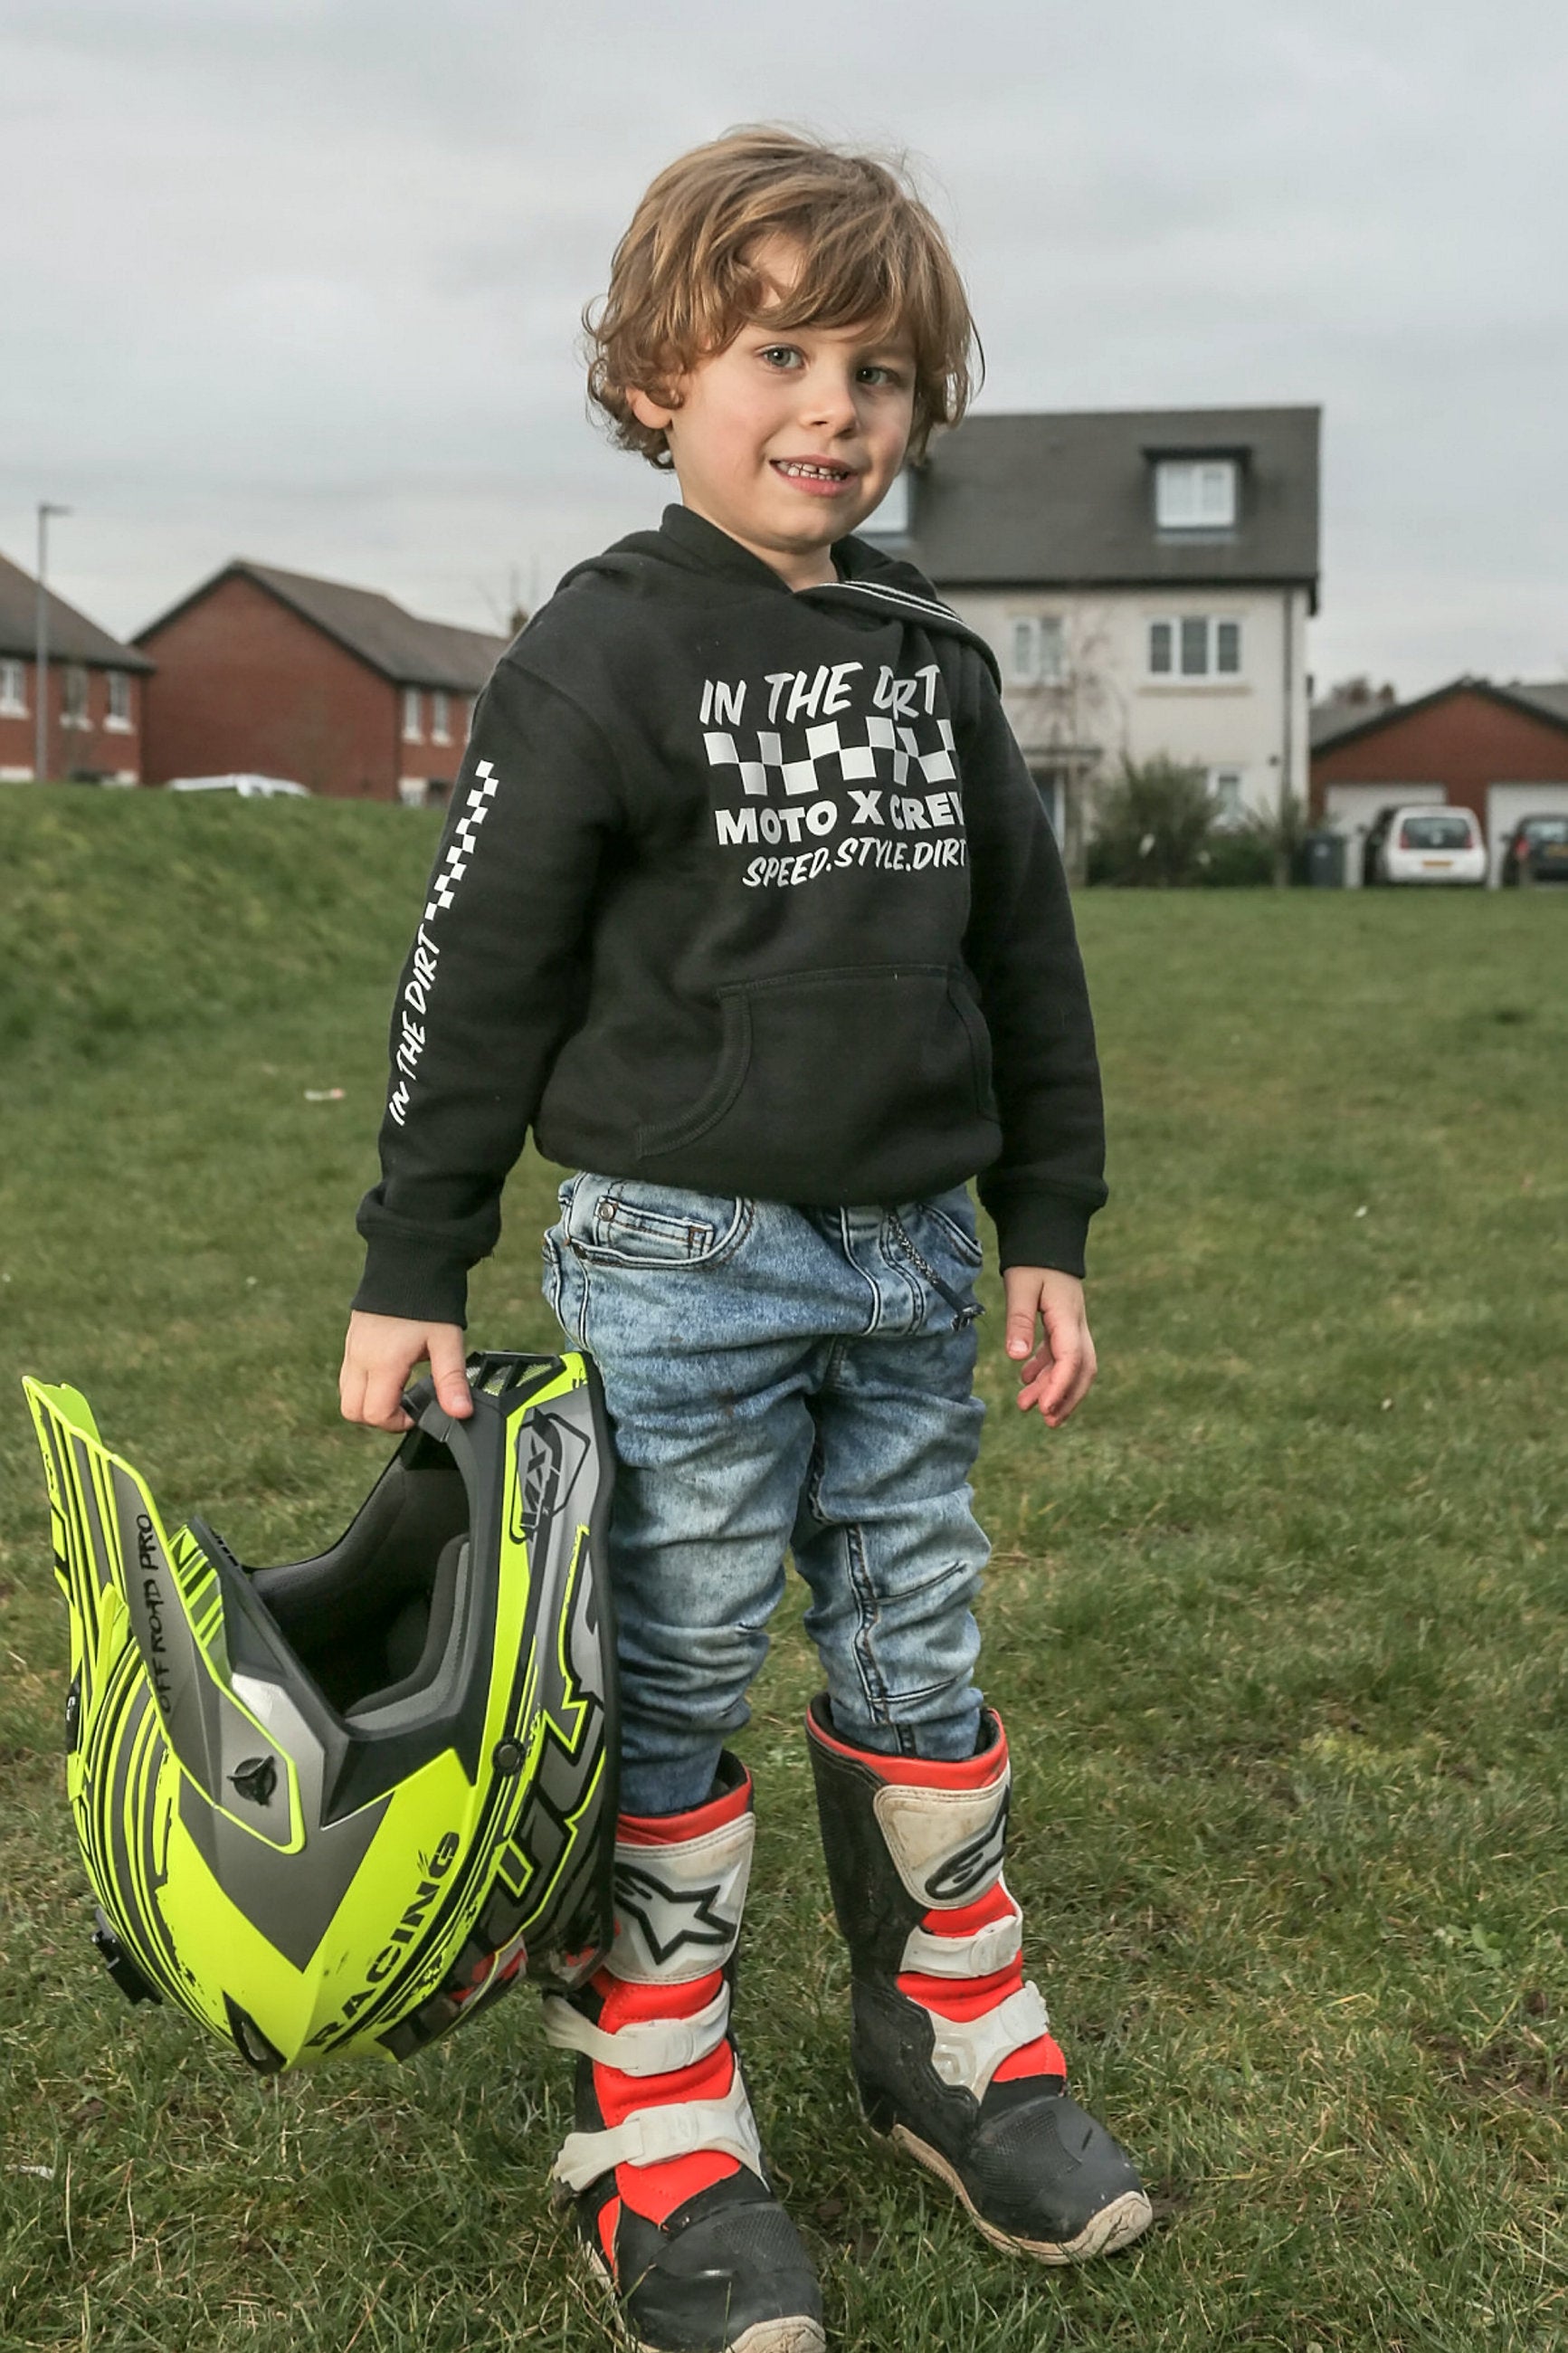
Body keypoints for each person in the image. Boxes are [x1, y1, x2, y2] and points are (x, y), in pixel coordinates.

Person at [340, 127, 1151, 2353]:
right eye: (779, 348)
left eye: (878, 369)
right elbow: (476, 971)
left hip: (902, 1269)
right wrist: (416, 1256)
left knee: (919, 1646)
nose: (834, 407)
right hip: (679, 1267)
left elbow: (1028, 967)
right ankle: (658, 2108)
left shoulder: (932, 659)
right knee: (679, 1662)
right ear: (654, 379)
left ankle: (954, 2044)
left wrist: (1043, 1221)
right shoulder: (595, 655)